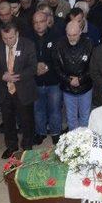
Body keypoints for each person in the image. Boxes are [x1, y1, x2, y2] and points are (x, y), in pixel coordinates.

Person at [0, 22, 38, 159]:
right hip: (4, 91)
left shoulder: (28, 45)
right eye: (4, 38)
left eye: (10, 38)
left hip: (23, 90)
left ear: (17, 34)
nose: (7, 41)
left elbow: (33, 67)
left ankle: (27, 146)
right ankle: (11, 147)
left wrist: (17, 77)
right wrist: (2, 75)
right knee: (8, 121)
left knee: (26, 121)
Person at [53, 21, 94, 129]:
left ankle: (84, 142)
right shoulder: (59, 44)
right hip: (67, 86)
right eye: (69, 35)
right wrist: (68, 79)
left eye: (74, 35)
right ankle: (73, 143)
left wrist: (80, 79)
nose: (71, 38)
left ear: (80, 32)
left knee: (85, 117)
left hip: (85, 87)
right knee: (71, 118)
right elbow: (56, 67)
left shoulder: (89, 43)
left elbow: (93, 67)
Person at [31, 11, 63, 145]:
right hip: (35, 81)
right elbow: (25, 58)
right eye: (35, 22)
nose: (38, 25)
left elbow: (60, 57)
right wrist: (35, 66)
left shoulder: (56, 36)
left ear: (47, 21)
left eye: (41, 21)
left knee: (54, 109)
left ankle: (56, 133)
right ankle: (40, 132)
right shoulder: (27, 37)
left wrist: (47, 66)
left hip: (53, 81)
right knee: (38, 110)